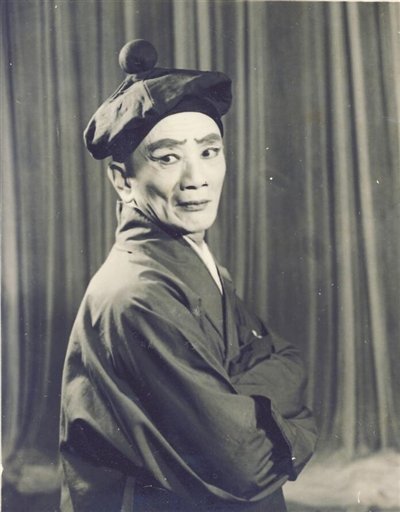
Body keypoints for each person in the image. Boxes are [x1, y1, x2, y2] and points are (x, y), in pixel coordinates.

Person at [59, 39, 318, 512]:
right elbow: (243, 465)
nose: (196, 178)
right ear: (122, 180)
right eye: (167, 157)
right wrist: (266, 402)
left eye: (209, 151)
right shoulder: (137, 295)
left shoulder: (195, 258)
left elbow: (289, 358)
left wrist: (239, 403)